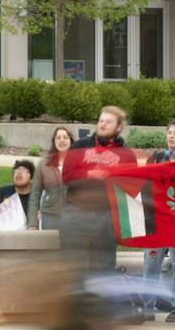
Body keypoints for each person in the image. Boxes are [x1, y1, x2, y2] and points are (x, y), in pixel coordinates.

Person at [60, 106, 142, 271]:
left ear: (119, 127)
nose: (103, 124)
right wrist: (89, 174)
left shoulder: (126, 155)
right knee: (72, 272)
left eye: (108, 122)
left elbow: (132, 189)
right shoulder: (79, 146)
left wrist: (116, 180)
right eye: (101, 121)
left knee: (103, 273)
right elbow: (66, 177)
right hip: (75, 216)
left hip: (107, 219)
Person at [142, 119, 175, 323]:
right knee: (151, 265)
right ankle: (148, 306)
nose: (171, 136)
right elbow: (143, 182)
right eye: (169, 132)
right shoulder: (155, 158)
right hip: (156, 219)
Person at [37, 124, 72, 229]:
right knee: (49, 244)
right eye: (58, 137)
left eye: (65, 137)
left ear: (71, 140)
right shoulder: (44, 163)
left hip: (73, 215)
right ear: (54, 141)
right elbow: (35, 193)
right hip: (50, 215)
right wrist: (34, 222)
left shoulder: (79, 163)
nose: (62, 140)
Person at [0, 159, 38, 231]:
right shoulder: (2, 191)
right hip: (5, 234)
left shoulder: (37, 196)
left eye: (23, 171)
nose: (18, 173)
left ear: (31, 178)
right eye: (16, 171)